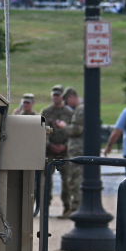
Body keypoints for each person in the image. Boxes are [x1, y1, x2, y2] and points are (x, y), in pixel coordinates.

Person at [41, 85, 75, 217]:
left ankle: (68, 207)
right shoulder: (46, 112)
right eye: (54, 95)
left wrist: (66, 146)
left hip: (65, 152)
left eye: (58, 95)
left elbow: (72, 131)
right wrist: (49, 145)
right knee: (45, 182)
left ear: (62, 97)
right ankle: (44, 207)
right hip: (49, 152)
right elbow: (41, 131)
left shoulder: (69, 113)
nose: (56, 97)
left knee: (67, 181)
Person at [62, 87, 83, 215]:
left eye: (67, 100)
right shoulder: (82, 108)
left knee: (75, 179)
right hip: (79, 149)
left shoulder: (80, 109)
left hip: (78, 149)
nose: (67, 104)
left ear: (71, 97)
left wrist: (64, 127)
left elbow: (77, 129)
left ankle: (76, 208)